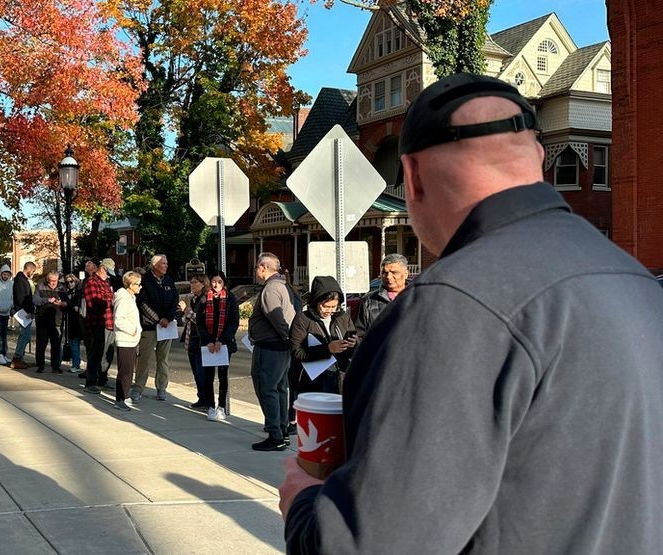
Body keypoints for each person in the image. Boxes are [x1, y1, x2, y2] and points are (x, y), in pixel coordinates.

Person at [280, 73, 663, 553]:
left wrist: (303, 503)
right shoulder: (639, 284)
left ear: (414, 178)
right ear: (539, 160)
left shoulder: (454, 303)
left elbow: (370, 544)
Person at [289, 276, 356, 426]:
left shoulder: (342, 317)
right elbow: (296, 352)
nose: (330, 311)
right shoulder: (303, 319)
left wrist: (353, 344)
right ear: (317, 301)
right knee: (318, 424)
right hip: (313, 382)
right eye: (326, 306)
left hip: (340, 378)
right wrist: (327, 349)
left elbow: (353, 340)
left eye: (334, 307)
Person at [248, 252, 296, 451]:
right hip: (280, 346)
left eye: (257, 268)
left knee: (267, 387)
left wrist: (286, 337)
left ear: (263, 268)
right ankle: (282, 432)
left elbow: (277, 318)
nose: (256, 272)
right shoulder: (283, 285)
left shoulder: (271, 289)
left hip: (271, 347)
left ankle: (275, 434)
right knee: (279, 388)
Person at [132, 254, 180, 402]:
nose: (166, 266)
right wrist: (158, 320)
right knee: (144, 359)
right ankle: (138, 388)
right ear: (155, 265)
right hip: (150, 326)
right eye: (163, 263)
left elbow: (174, 300)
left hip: (167, 327)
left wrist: (169, 318)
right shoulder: (145, 281)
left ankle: (161, 388)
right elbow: (143, 304)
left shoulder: (169, 281)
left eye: (166, 263)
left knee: (163, 359)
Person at [195, 271, 239, 422]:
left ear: (224, 283)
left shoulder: (230, 298)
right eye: (214, 281)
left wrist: (222, 340)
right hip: (208, 343)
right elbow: (199, 321)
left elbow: (234, 321)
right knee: (208, 376)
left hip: (224, 344)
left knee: (222, 376)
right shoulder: (204, 298)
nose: (216, 285)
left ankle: (221, 406)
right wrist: (208, 340)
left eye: (219, 282)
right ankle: (211, 406)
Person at [353, 253, 409, 342]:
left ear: (406, 273)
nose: (388, 277)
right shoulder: (368, 301)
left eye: (394, 272)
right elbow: (359, 336)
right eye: (384, 273)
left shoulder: (418, 297)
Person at [82, 257, 115, 394]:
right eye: (108, 272)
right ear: (103, 268)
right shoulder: (91, 282)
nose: (109, 275)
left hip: (109, 322)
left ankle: (102, 379)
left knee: (108, 354)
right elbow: (93, 304)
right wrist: (110, 300)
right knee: (96, 353)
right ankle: (91, 382)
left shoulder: (106, 282)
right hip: (97, 323)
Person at [112, 271, 142, 411]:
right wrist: (133, 330)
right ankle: (120, 399)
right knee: (125, 372)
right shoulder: (123, 298)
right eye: (137, 284)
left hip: (131, 340)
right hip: (125, 339)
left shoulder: (130, 297)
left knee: (128, 371)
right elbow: (119, 320)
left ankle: (124, 396)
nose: (140, 287)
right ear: (130, 285)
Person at [179, 273, 210, 409]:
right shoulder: (193, 299)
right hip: (191, 339)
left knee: (201, 372)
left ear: (203, 284)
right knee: (196, 372)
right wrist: (185, 311)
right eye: (191, 282)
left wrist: (186, 310)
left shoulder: (205, 299)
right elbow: (186, 320)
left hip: (201, 340)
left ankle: (206, 399)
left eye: (195, 282)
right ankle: (201, 398)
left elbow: (201, 319)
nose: (192, 285)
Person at [32, 271, 68, 374]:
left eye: (55, 281)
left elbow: (67, 303)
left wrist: (61, 303)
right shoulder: (40, 286)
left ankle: (55, 366)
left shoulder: (62, 288)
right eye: (51, 281)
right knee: (41, 344)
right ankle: (40, 365)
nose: (53, 283)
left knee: (56, 344)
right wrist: (47, 300)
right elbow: (35, 300)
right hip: (42, 319)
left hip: (57, 319)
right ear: (48, 280)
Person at [10, 261, 37, 369]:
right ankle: (17, 357)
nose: (33, 273)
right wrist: (29, 311)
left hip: (23, 310)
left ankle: (20, 357)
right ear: (29, 269)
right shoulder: (21, 281)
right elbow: (22, 298)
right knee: (25, 335)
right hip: (23, 312)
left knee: (25, 335)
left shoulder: (21, 280)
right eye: (33, 271)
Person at [64, 274, 84, 373]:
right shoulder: (68, 292)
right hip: (71, 320)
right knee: (74, 342)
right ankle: (76, 363)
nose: (69, 284)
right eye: (67, 282)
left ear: (75, 281)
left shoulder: (79, 292)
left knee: (75, 342)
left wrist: (71, 305)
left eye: (71, 281)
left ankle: (76, 364)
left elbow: (76, 306)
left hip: (78, 320)